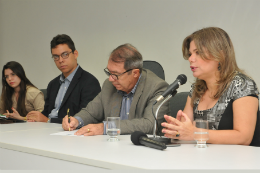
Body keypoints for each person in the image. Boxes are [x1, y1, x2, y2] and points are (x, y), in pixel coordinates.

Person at [161, 27, 260, 146]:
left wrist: (195, 133)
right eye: (190, 54)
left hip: (234, 161)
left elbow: (244, 137)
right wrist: (177, 131)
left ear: (219, 54)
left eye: (198, 52)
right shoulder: (196, 90)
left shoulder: (241, 85)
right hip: (203, 158)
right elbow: (185, 135)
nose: (191, 59)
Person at [62, 43, 169, 135]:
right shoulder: (109, 85)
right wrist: (76, 120)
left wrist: (106, 127)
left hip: (143, 150)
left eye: (116, 74)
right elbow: (91, 112)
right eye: (109, 72)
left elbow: (149, 124)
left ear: (135, 73)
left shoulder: (157, 88)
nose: (111, 78)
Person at [26, 34, 101, 123]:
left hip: (70, 133)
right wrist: (35, 118)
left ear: (75, 54)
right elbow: (46, 114)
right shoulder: (52, 84)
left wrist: (48, 121)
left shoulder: (89, 82)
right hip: (46, 130)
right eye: (56, 57)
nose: (60, 60)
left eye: (65, 54)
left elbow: (86, 118)